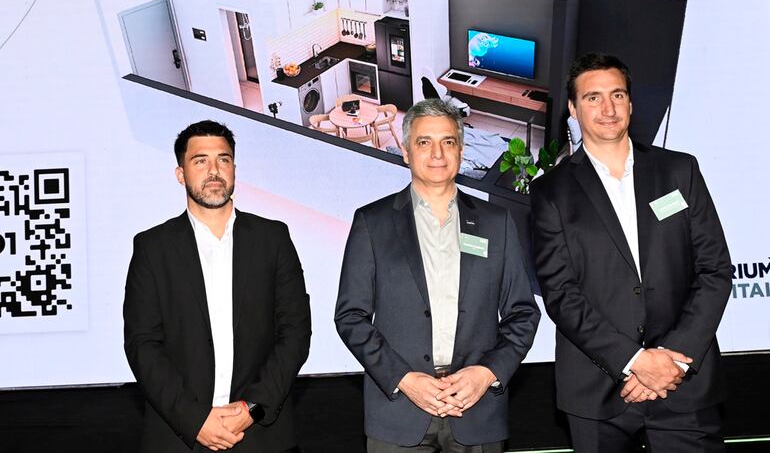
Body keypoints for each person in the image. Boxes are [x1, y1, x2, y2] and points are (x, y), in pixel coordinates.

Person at [531, 53, 732, 452]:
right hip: (597, 390)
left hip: (683, 383)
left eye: (617, 95)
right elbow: (562, 295)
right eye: (593, 98)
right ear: (573, 108)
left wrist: (672, 359)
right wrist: (635, 362)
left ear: (630, 103)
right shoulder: (550, 192)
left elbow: (714, 269)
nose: (608, 109)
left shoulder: (680, 171)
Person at [335, 99, 540, 452]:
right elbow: (350, 316)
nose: (437, 154)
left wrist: (486, 373)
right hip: (398, 408)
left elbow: (523, 312)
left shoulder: (496, 223)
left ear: (460, 150)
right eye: (424, 142)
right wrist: (404, 379)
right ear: (405, 152)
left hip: (476, 407)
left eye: (447, 142)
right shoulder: (372, 222)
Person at [123, 120, 311, 453]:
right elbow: (142, 344)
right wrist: (195, 420)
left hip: (260, 436)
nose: (214, 170)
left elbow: (295, 333)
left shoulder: (273, 239)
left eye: (223, 160)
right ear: (180, 173)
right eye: (200, 161)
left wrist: (251, 409)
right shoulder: (152, 248)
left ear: (234, 169)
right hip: (179, 438)